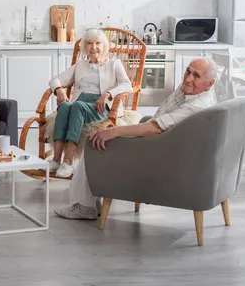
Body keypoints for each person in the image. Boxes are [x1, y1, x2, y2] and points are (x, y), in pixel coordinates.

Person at [55, 57, 218, 220]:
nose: (188, 78)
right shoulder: (195, 93)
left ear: (209, 83)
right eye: (188, 71)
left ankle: (85, 207)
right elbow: (157, 123)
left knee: (94, 141)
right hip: (162, 143)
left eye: (196, 76)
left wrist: (115, 131)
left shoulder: (195, 106)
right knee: (102, 135)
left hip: (156, 153)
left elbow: (154, 128)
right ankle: (91, 201)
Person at [47, 28, 133, 178]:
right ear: (84, 47)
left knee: (76, 106)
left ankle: (68, 161)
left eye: (98, 43)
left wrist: (108, 94)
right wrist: (59, 90)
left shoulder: (114, 64)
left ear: (104, 45)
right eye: (89, 43)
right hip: (78, 105)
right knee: (65, 105)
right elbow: (55, 79)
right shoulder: (80, 65)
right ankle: (56, 159)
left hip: (101, 106)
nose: (94, 47)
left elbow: (127, 85)